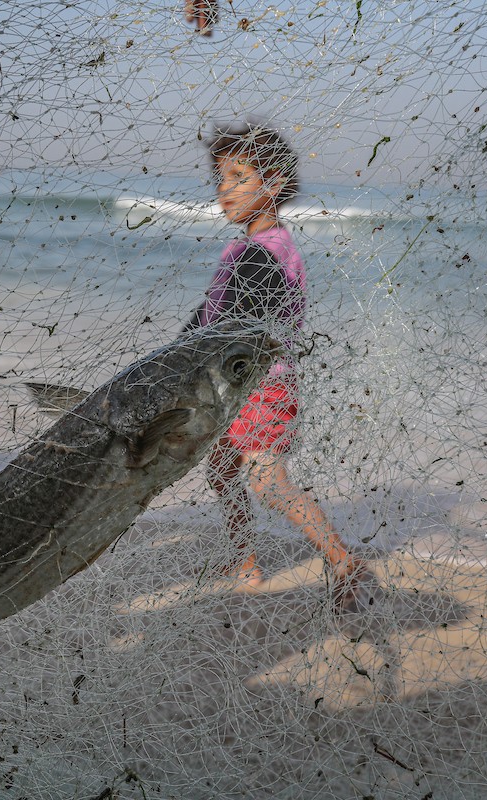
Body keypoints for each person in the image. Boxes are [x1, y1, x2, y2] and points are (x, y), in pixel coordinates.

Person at [184, 123, 370, 612]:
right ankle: (246, 561)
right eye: (220, 178)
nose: (224, 189)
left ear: (272, 184)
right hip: (238, 383)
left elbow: (233, 324)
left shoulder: (262, 255)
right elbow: (209, 313)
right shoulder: (253, 246)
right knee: (223, 469)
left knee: (266, 480)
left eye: (238, 177)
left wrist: (194, 353)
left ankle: (343, 560)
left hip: (261, 386)